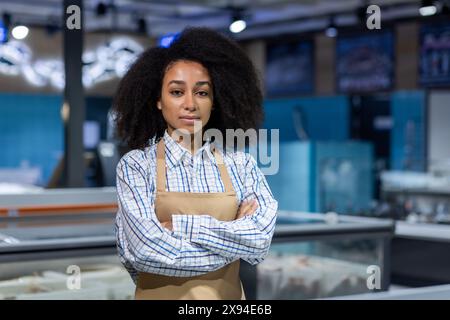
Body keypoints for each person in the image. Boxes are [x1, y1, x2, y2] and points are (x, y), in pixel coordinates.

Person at [113, 27, 278, 300]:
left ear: (215, 101)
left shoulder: (242, 165)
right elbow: (146, 253)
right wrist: (233, 244)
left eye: (202, 93)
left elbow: (259, 241)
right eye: (177, 92)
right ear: (157, 100)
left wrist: (180, 226)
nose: (190, 104)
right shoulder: (136, 167)